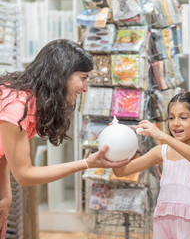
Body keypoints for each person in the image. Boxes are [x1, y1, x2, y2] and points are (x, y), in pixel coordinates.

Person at [0, 39, 130, 239]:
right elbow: (24, 175)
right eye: (83, 78)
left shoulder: (30, 102)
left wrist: (6, 196)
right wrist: (87, 163)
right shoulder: (17, 108)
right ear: (62, 76)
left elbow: (4, 153)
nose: (86, 88)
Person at [113, 91, 190, 238]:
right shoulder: (161, 151)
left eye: (183, 117)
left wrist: (162, 136)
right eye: (171, 118)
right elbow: (121, 172)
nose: (175, 123)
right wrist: (115, 141)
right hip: (164, 219)